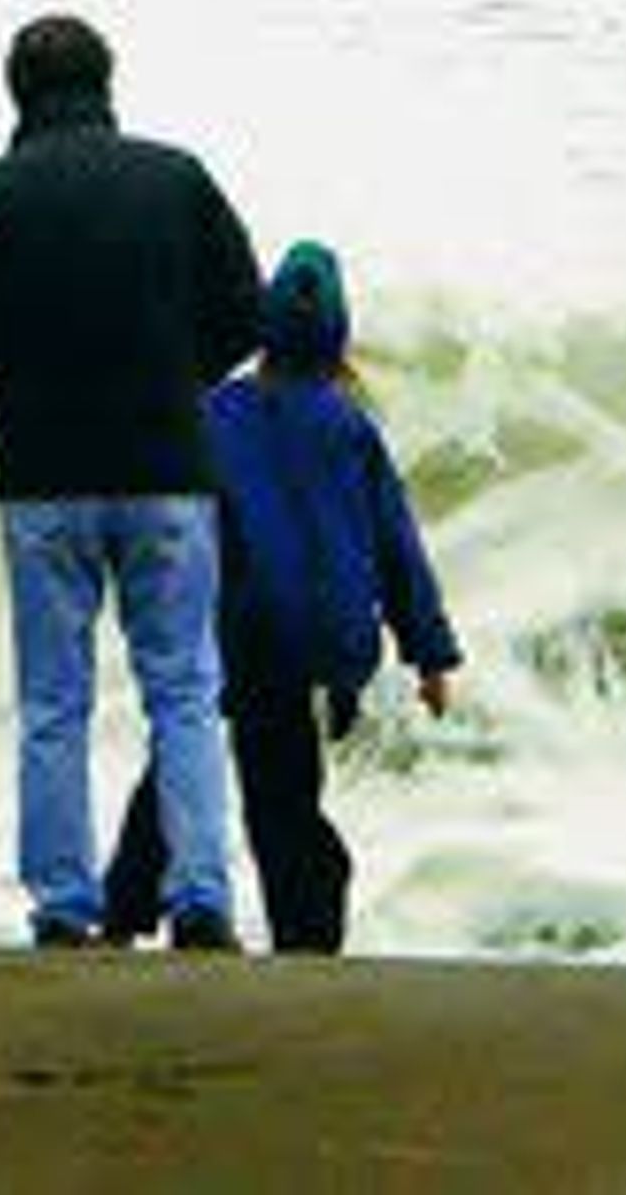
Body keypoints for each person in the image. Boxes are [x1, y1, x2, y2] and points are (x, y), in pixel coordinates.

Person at [0, 11, 264, 951]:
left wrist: (24, 394)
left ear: (16, 94)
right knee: (185, 688)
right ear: (109, 83)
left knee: (53, 702)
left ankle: (65, 908)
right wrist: (173, 382)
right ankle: (200, 899)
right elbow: (248, 310)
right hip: (164, 470)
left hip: (42, 480)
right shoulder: (174, 177)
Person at [100, 239, 461, 957]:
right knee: (286, 796)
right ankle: (305, 937)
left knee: (181, 758)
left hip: (231, 627)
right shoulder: (350, 426)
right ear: (338, 339)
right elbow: (396, 546)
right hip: (314, 636)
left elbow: (173, 523)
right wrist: (430, 654)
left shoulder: (215, 413)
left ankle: (126, 910)